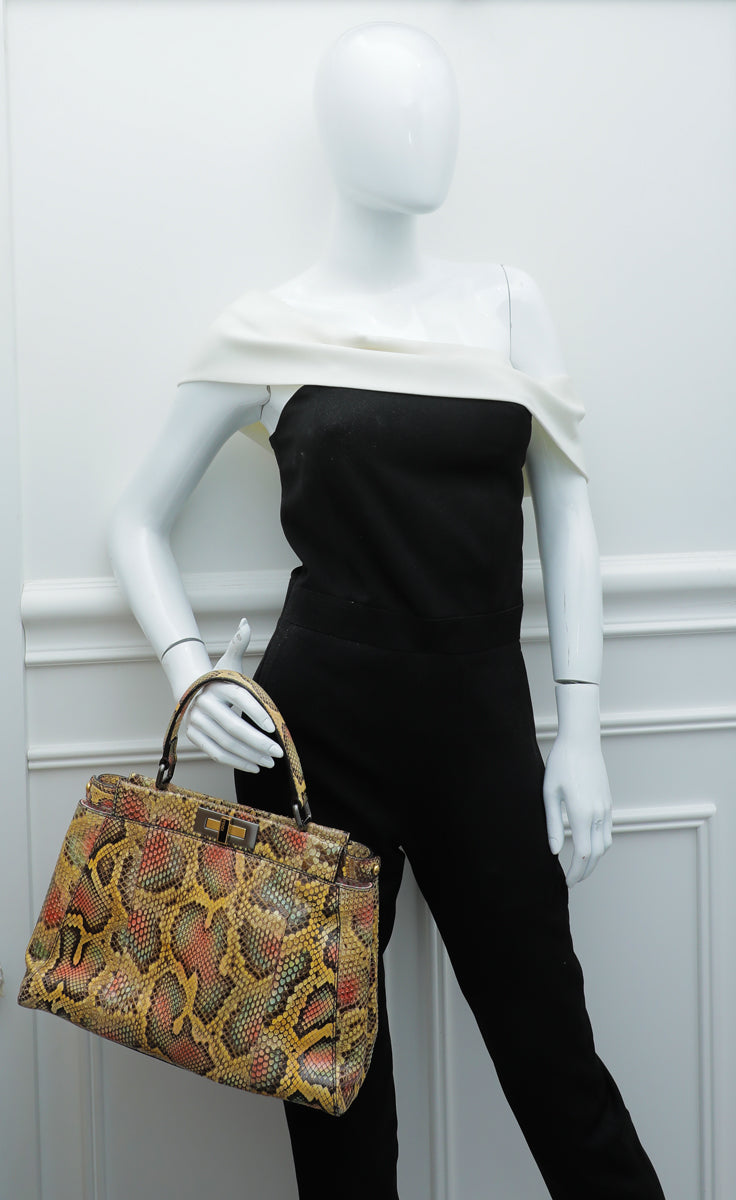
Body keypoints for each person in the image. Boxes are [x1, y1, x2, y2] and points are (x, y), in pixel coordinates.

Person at [108, 21, 666, 1200]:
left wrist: (581, 727)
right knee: (331, 1093)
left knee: (556, 1067)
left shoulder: (509, 305)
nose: (423, 130)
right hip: (313, 742)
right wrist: (187, 672)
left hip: (481, 724)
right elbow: (134, 520)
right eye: (390, 107)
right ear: (334, 131)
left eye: (435, 104)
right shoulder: (267, 327)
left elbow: (568, 509)